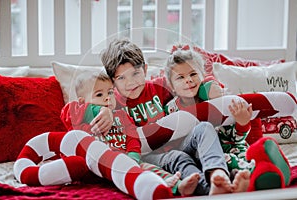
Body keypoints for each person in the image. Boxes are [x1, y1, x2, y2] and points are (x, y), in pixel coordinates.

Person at [100, 38, 243, 195]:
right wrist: (104, 111)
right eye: (121, 78)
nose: (131, 83)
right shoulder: (114, 103)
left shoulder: (159, 86)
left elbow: (187, 77)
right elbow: (92, 107)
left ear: (145, 70)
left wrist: (210, 84)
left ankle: (218, 173)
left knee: (204, 128)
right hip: (149, 156)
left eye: (135, 73)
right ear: (112, 82)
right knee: (178, 157)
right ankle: (209, 189)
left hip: (179, 143)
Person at [61, 70, 200, 196]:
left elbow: (132, 139)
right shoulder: (79, 116)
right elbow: (67, 112)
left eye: (110, 92)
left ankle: (177, 186)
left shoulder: (121, 116)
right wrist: (100, 111)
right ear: (82, 101)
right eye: (99, 94)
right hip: (93, 167)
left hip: (123, 163)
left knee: (149, 169)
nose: (107, 98)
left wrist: (133, 157)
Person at [163, 44, 254, 185]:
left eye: (193, 74)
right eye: (180, 77)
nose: (188, 80)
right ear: (172, 87)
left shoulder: (216, 101)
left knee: (247, 157)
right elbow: (172, 144)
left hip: (224, 150)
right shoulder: (171, 110)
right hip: (193, 153)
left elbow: (234, 137)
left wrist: (242, 123)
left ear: (203, 76)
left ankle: (244, 175)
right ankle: (232, 176)